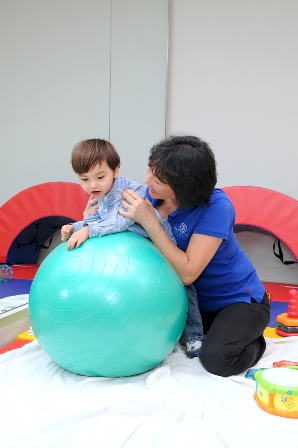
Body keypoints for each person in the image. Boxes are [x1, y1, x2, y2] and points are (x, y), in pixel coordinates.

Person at [119, 135, 270, 377]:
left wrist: (150, 222)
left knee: (217, 360)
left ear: (183, 186)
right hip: (188, 304)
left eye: (158, 179)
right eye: (150, 171)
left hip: (237, 301)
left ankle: (253, 340)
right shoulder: (152, 196)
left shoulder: (217, 207)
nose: (147, 181)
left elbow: (188, 273)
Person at [61, 138, 204, 358]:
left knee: (184, 289)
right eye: (84, 179)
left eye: (100, 177)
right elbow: (100, 217)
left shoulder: (125, 192)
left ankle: (193, 337)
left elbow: (120, 221)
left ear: (116, 170)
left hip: (160, 247)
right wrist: (75, 227)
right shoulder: (102, 193)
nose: (93, 186)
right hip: (139, 249)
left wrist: (88, 230)